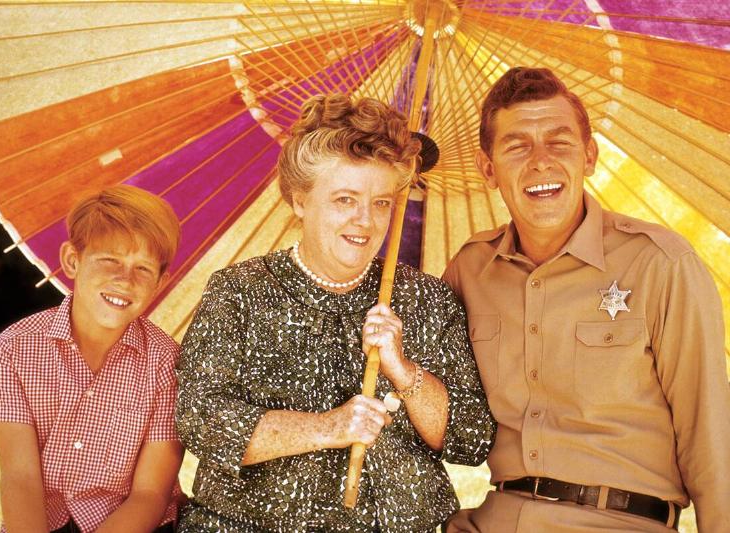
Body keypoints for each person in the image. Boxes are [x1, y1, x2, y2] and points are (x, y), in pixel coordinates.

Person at [176, 94, 495, 532]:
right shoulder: (240, 293)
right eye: (345, 199)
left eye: (381, 202)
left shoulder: (427, 300)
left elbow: (471, 439)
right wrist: (329, 427)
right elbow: (203, 421)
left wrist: (403, 371)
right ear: (301, 200)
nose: (365, 221)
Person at [442, 67, 730, 532]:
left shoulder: (660, 264)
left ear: (589, 156)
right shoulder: (469, 270)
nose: (541, 162)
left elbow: (710, 434)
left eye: (559, 142)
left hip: (620, 520)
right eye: (517, 146)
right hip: (495, 519)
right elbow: (423, 402)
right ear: (488, 168)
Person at [0, 185, 185, 533]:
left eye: (143, 269)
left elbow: (150, 495)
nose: (125, 280)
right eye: (110, 261)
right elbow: (20, 477)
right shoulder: (13, 349)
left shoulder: (167, 362)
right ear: (72, 261)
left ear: (161, 283)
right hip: (41, 520)